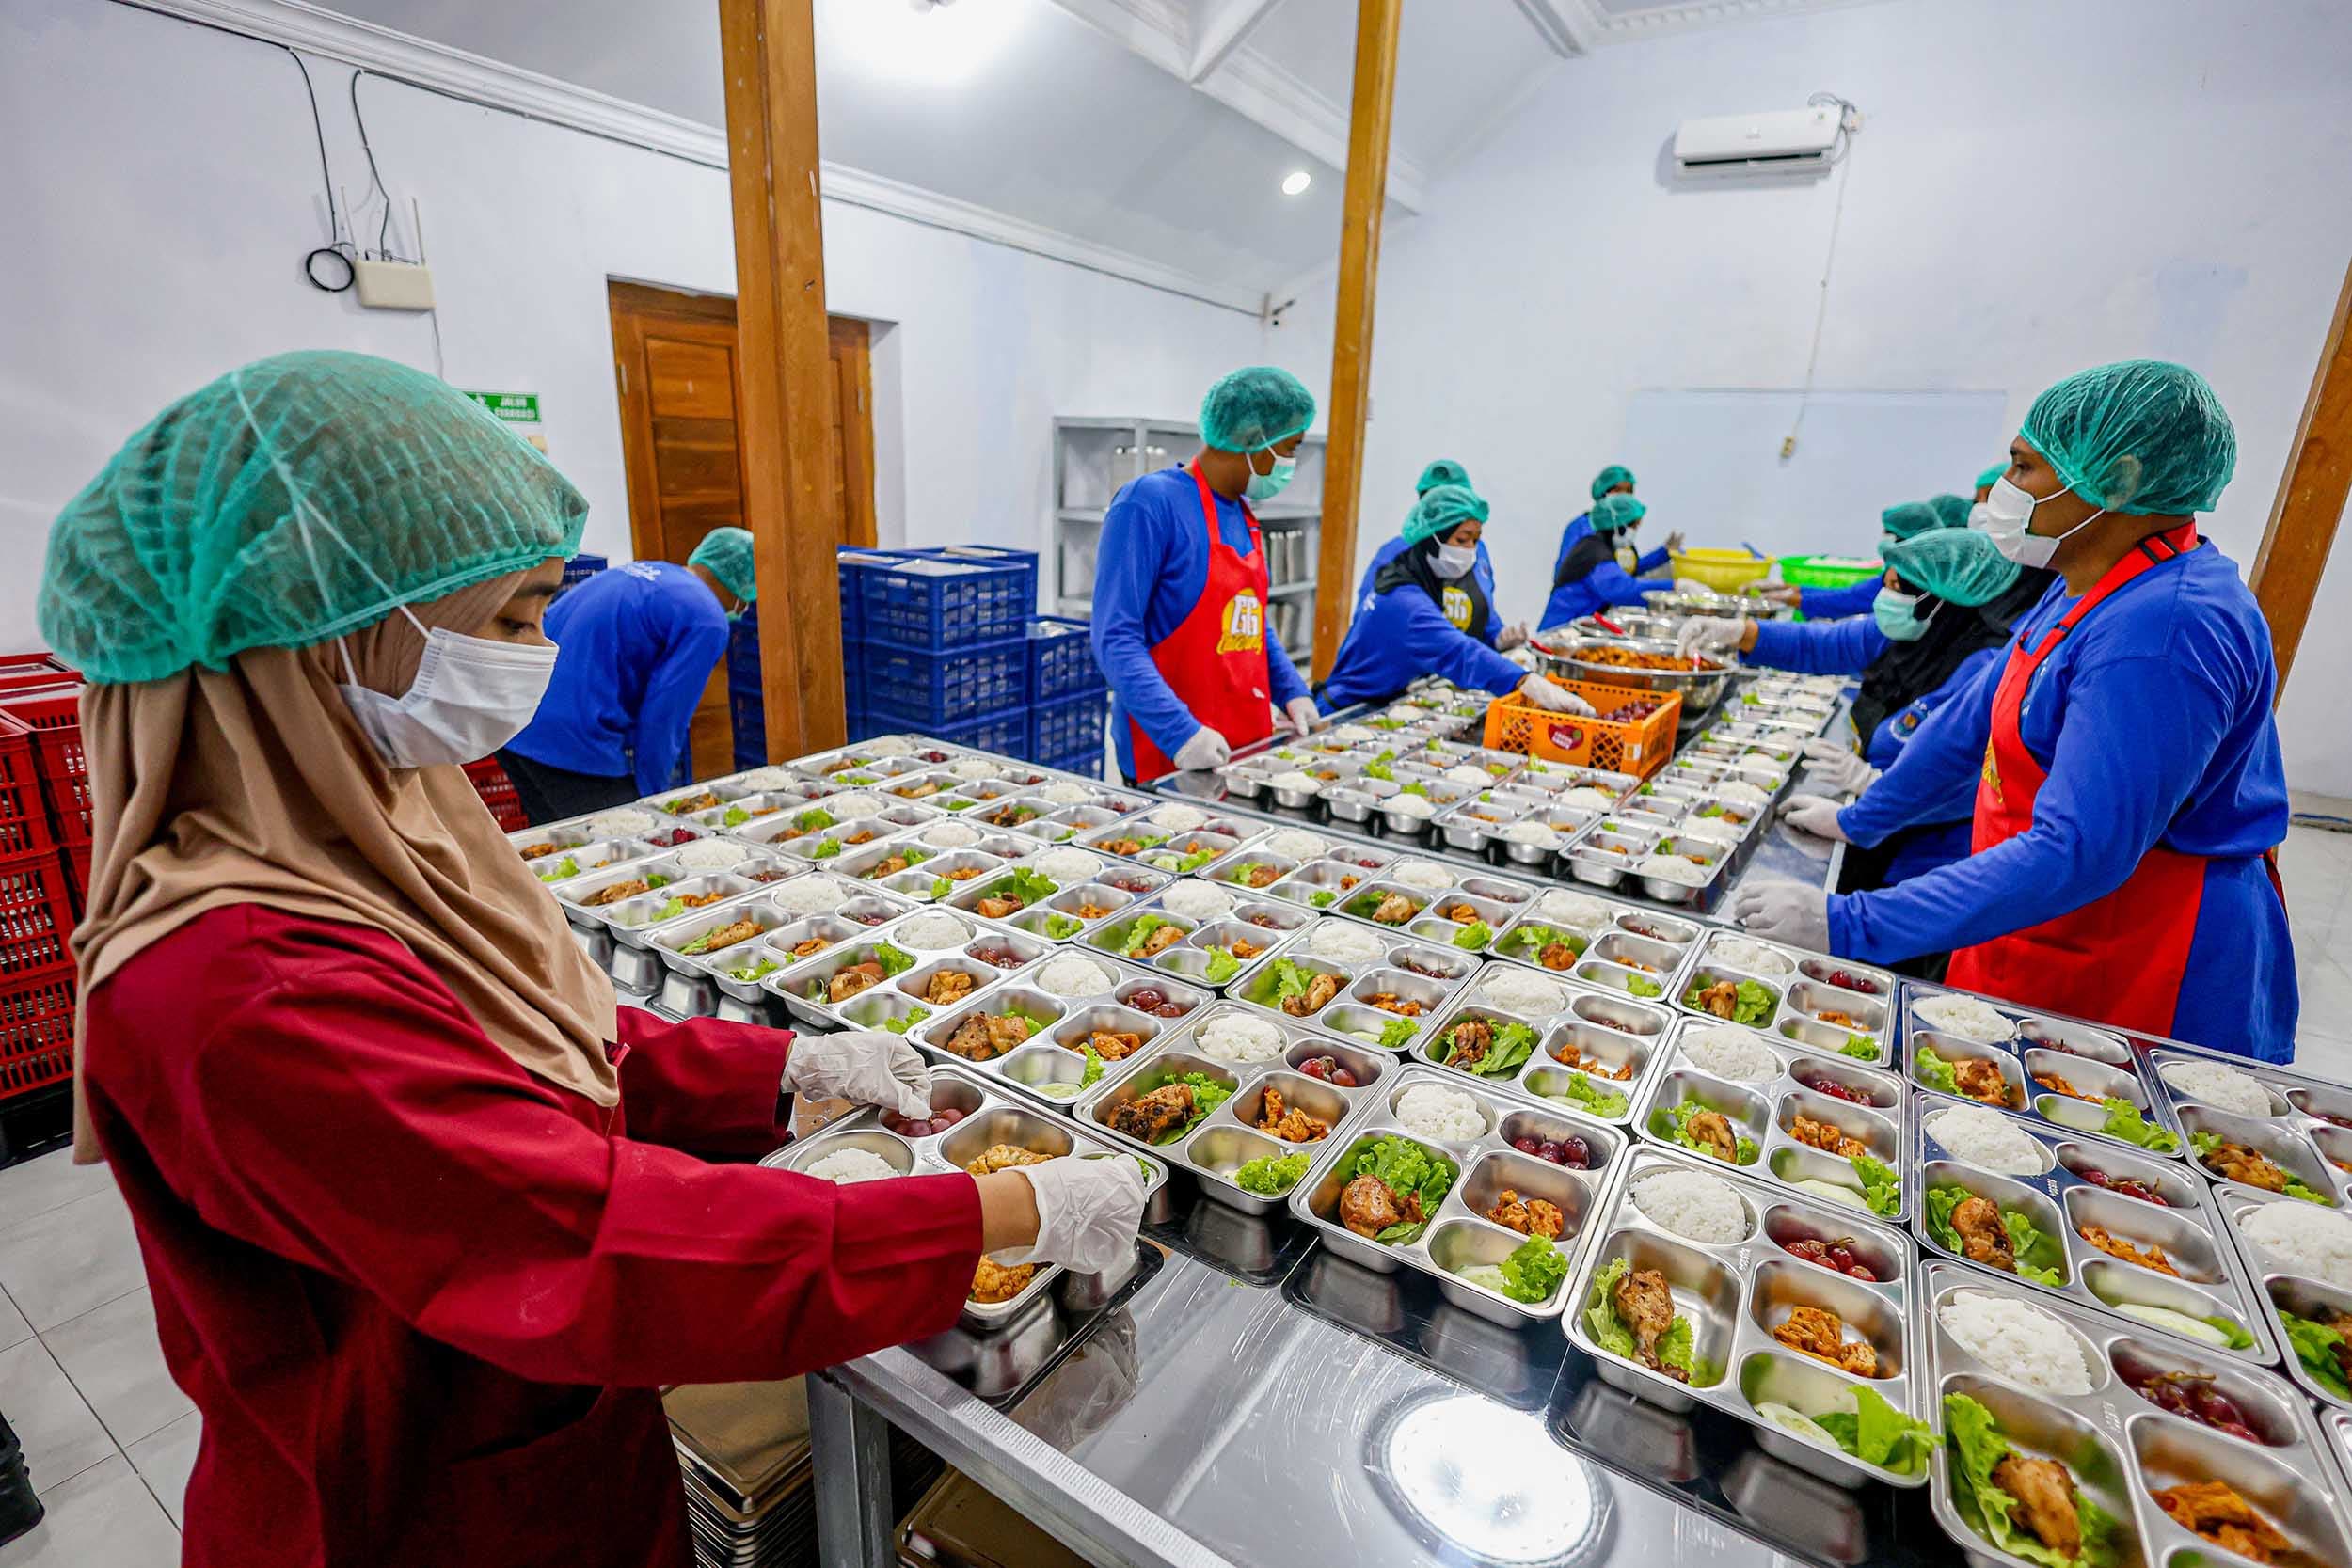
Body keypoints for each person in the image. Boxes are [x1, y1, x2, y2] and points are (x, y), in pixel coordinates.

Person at [39, 351, 1144, 1568]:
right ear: (327, 641)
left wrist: (785, 1067)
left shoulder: (377, 827)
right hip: (409, 1507)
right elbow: (585, 1236)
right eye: (509, 619)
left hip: (537, 1446)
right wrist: (995, 1209)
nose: (538, 650)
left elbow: (553, 1034)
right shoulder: (246, 982)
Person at [1727, 360, 2296, 1060]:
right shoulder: (2085, 584)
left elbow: (2078, 849)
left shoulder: (2164, 631)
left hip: (2140, 956)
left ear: (2115, 481)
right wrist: (1857, 819)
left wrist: (1851, 922)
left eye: (2024, 469)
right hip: (2043, 919)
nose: (2005, 490)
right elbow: (1966, 728)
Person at [1688, 530, 2054, 915]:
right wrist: (1740, 632)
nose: (1886, 597)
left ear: (1938, 599)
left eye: (1898, 588)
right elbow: (1821, 644)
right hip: (1876, 823)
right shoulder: (1907, 632)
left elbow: (1951, 770)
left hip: (1926, 857)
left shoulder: (1984, 668)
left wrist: (1867, 794)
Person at [1092, 366, 1323, 781]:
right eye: (1290, 448)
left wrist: (1293, 691)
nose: (1292, 462)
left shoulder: (1242, 513)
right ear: (1254, 440)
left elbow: (1250, 624)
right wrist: (1181, 734)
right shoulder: (1149, 504)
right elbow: (1115, 638)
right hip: (1171, 757)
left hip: (1242, 752)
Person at [497, 527, 755, 822]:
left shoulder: (646, 572)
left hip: (518, 724)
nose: (745, 606)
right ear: (741, 583)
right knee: (621, 844)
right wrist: (657, 801)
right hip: (575, 741)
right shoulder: (707, 619)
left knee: (567, 851)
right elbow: (664, 717)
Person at [1318, 485, 1592, 715]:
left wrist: (1498, 639)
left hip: (1380, 701)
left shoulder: (1414, 571)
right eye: (1462, 540)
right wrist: (1527, 681)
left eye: (1476, 540)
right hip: (1349, 710)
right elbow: (1460, 653)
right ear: (1430, 539)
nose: (1471, 551)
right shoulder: (1405, 602)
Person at [1355, 459, 1522, 651]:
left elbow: (1484, 610)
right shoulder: (1397, 557)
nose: (1468, 547)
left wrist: (1499, 638)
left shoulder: (1477, 552)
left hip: (1462, 673)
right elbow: (1368, 623)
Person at [1760, 495, 1970, 620]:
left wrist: (1790, 598)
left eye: (1890, 534)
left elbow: (1847, 600)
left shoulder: (1912, 581)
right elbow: (1850, 593)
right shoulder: (1909, 571)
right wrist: (1790, 590)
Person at [1539, 493, 1682, 630]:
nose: (1634, 532)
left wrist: (1664, 553)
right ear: (1618, 526)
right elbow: (1622, 589)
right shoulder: (1594, 552)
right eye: (1634, 527)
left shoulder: (1601, 546)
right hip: (1558, 632)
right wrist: (1674, 587)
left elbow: (1629, 570)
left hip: (1573, 626)